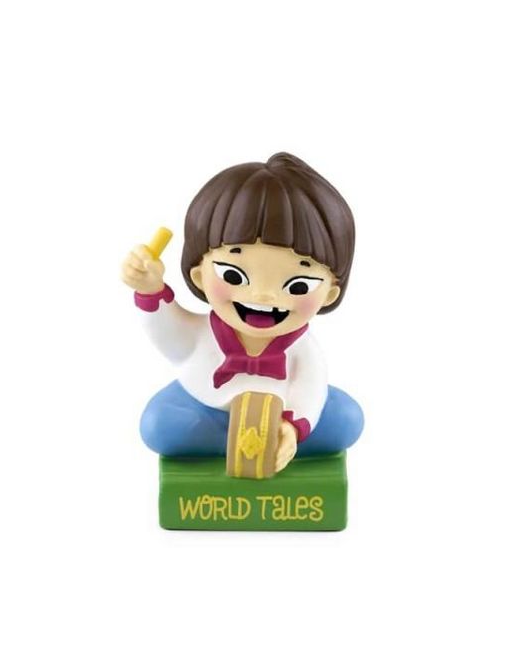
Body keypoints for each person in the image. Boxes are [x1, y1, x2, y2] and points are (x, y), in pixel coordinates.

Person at [122, 152, 363, 471]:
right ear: (199, 275)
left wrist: (292, 429)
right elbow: (168, 334)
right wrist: (150, 288)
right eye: (234, 276)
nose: (263, 294)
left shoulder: (304, 351)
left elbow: (310, 389)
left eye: (298, 285)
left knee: (346, 418)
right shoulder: (201, 334)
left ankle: (269, 446)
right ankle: (228, 441)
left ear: (330, 293)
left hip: (279, 417)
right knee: (159, 424)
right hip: (207, 408)